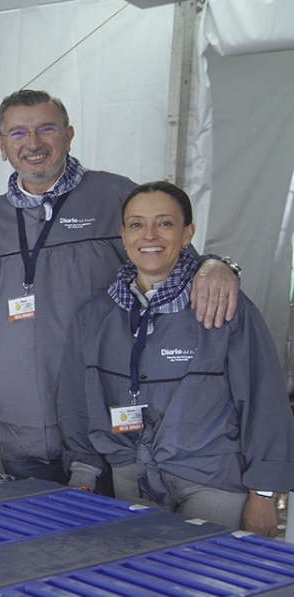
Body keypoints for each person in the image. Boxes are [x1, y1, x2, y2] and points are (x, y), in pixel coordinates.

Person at [0, 90, 240, 484]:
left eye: (46, 129)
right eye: (18, 133)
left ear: (69, 135)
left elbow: (173, 254)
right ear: (2, 146)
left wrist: (215, 264)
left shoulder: (113, 197)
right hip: (24, 435)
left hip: (105, 429)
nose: (32, 144)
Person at [58, 181, 293, 535]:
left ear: (188, 234)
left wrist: (263, 494)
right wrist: (83, 472)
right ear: (123, 235)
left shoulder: (225, 306)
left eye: (165, 223)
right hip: (130, 479)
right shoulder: (95, 316)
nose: (149, 235)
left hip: (211, 481)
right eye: (136, 224)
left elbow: (265, 402)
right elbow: (76, 403)